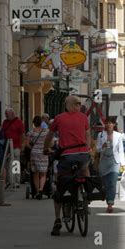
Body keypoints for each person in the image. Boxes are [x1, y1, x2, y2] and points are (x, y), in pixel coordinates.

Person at [43, 95, 91, 236]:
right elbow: (88, 135)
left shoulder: (59, 118)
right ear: (76, 105)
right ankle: (86, 193)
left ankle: (58, 220)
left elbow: (49, 136)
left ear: (66, 105)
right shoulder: (83, 118)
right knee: (84, 167)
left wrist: (46, 149)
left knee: (60, 185)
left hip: (67, 156)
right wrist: (87, 149)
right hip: (82, 154)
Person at [96, 117, 125, 212]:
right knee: (105, 184)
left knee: (112, 183)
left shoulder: (118, 135)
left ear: (114, 125)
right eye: (107, 123)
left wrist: (123, 164)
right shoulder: (101, 135)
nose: (109, 125)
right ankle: (107, 197)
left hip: (115, 162)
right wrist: (102, 146)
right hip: (104, 161)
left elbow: (121, 151)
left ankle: (110, 203)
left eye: (111, 123)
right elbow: (97, 149)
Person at [0, 108, 25, 187]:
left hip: (16, 146)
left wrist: (22, 146)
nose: (6, 116)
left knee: (15, 163)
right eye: (5, 115)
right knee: (8, 164)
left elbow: (22, 135)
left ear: (12, 114)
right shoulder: (5, 122)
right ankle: (9, 180)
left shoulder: (18, 122)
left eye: (7, 114)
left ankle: (16, 181)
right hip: (7, 146)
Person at [26, 115, 49, 198]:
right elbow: (51, 143)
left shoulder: (31, 132)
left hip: (34, 154)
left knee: (35, 173)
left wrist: (33, 147)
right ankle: (41, 189)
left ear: (34, 123)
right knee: (43, 173)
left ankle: (36, 191)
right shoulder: (46, 131)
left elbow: (27, 144)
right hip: (43, 153)